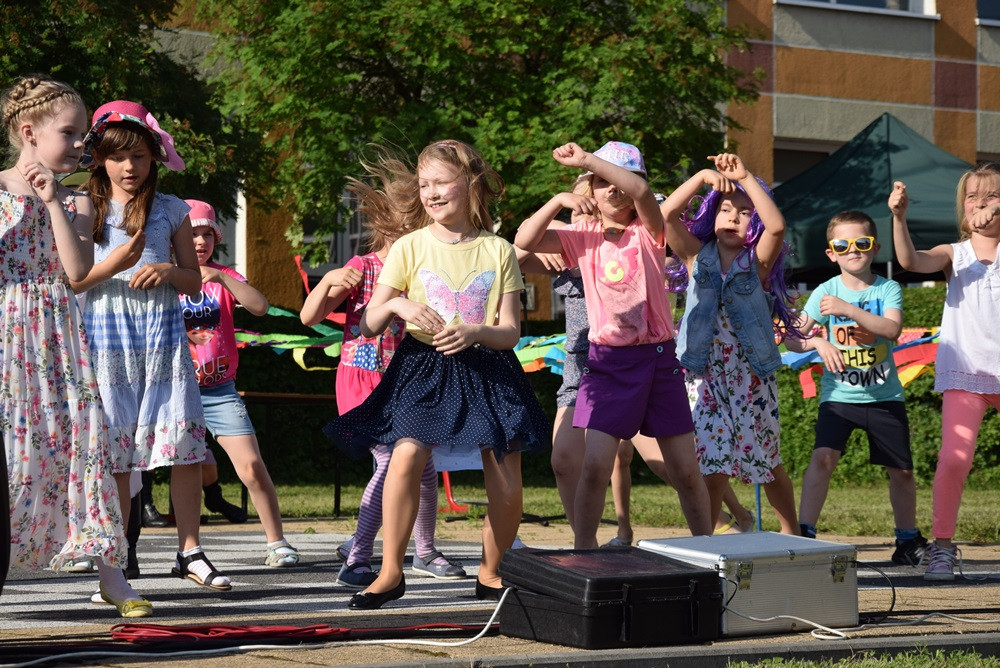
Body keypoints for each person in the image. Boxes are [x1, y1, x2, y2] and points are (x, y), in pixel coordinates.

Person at [324, 140, 548, 609]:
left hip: (488, 367)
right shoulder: (409, 246)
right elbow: (367, 324)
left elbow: (509, 332)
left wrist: (477, 331)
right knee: (405, 454)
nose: (431, 192)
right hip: (423, 366)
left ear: (471, 184)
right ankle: (390, 574)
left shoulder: (498, 250)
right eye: (424, 184)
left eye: (441, 182)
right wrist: (397, 304)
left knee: (506, 474)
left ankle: (491, 573)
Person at [517, 181, 751, 545]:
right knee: (588, 464)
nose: (607, 190)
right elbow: (518, 247)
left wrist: (702, 175)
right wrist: (559, 202)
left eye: (616, 180)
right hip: (597, 365)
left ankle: (715, 536)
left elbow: (645, 199)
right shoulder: (577, 241)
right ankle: (589, 550)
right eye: (590, 191)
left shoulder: (643, 233)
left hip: (653, 358)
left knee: (677, 468)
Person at [0, 75, 150, 617]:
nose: (81, 143)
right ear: (29, 132)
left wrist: (51, 203)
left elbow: (77, 269)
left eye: (83, 133)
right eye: (69, 132)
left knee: (83, 443)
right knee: (12, 451)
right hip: (8, 335)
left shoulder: (77, 199)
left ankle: (113, 576)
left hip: (59, 336)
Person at [70, 100, 231, 591]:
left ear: (154, 157)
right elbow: (73, 281)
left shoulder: (172, 209)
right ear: (99, 157)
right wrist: (116, 265)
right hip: (107, 339)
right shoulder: (83, 206)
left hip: (161, 338)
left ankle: (190, 551)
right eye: (118, 156)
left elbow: (193, 280)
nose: (129, 166)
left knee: (184, 446)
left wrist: (167, 271)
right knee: (117, 453)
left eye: (139, 156)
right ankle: (117, 560)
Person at [300, 185, 465, 588]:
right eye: (409, 224)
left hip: (406, 380)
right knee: (390, 462)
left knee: (423, 466)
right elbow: (308, 317)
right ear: (388, 226)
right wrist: (329, 280)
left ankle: (424, 551)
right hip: (363, 377)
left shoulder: (424, 268)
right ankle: (358, 557)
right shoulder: (365, 266)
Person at [661, 153, 799, 534]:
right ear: (712, 214)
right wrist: (702, 177)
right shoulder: (695, 256)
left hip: (751, 377)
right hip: (704, 376)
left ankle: (793, 533)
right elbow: (666, 215)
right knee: (711, 465)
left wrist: (745, 177)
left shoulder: (757, 263)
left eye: (744, 212)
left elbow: (777, 226)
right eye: (725, 209)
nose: (733, 217)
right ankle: (704, 544)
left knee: (768, 463)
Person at [786, 210, 925, 563]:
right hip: (839, 398)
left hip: (884, 397)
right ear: (831, 253)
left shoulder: (887, 288)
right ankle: (805, 534)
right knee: (823, 458)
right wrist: (817, 342)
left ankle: (907, 541)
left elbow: (891, 329)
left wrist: (848, 310)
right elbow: (791, 338)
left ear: (875, 248)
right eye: (842, 245)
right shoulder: (825, 292)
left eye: (862, 243)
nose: (853, 250)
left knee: (902, 471)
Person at [891, 168, 1000, 580]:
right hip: (966, 374)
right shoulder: (956, 253)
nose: (981, 202)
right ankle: (942, 546)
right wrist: (899, 218)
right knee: (954, 459)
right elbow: (910, 261)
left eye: (991, 195)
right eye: (973, 196)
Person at [180, 199, 299, 567]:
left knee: (250, 466)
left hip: (219, 392)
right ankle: (186, 550)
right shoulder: (168, 276)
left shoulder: (223, 277)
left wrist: (223, 278)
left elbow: (260, 307)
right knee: (184, 471)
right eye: (192, 234)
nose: (200, 242)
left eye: (207, 235)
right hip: (176, 392)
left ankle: (277, 542)